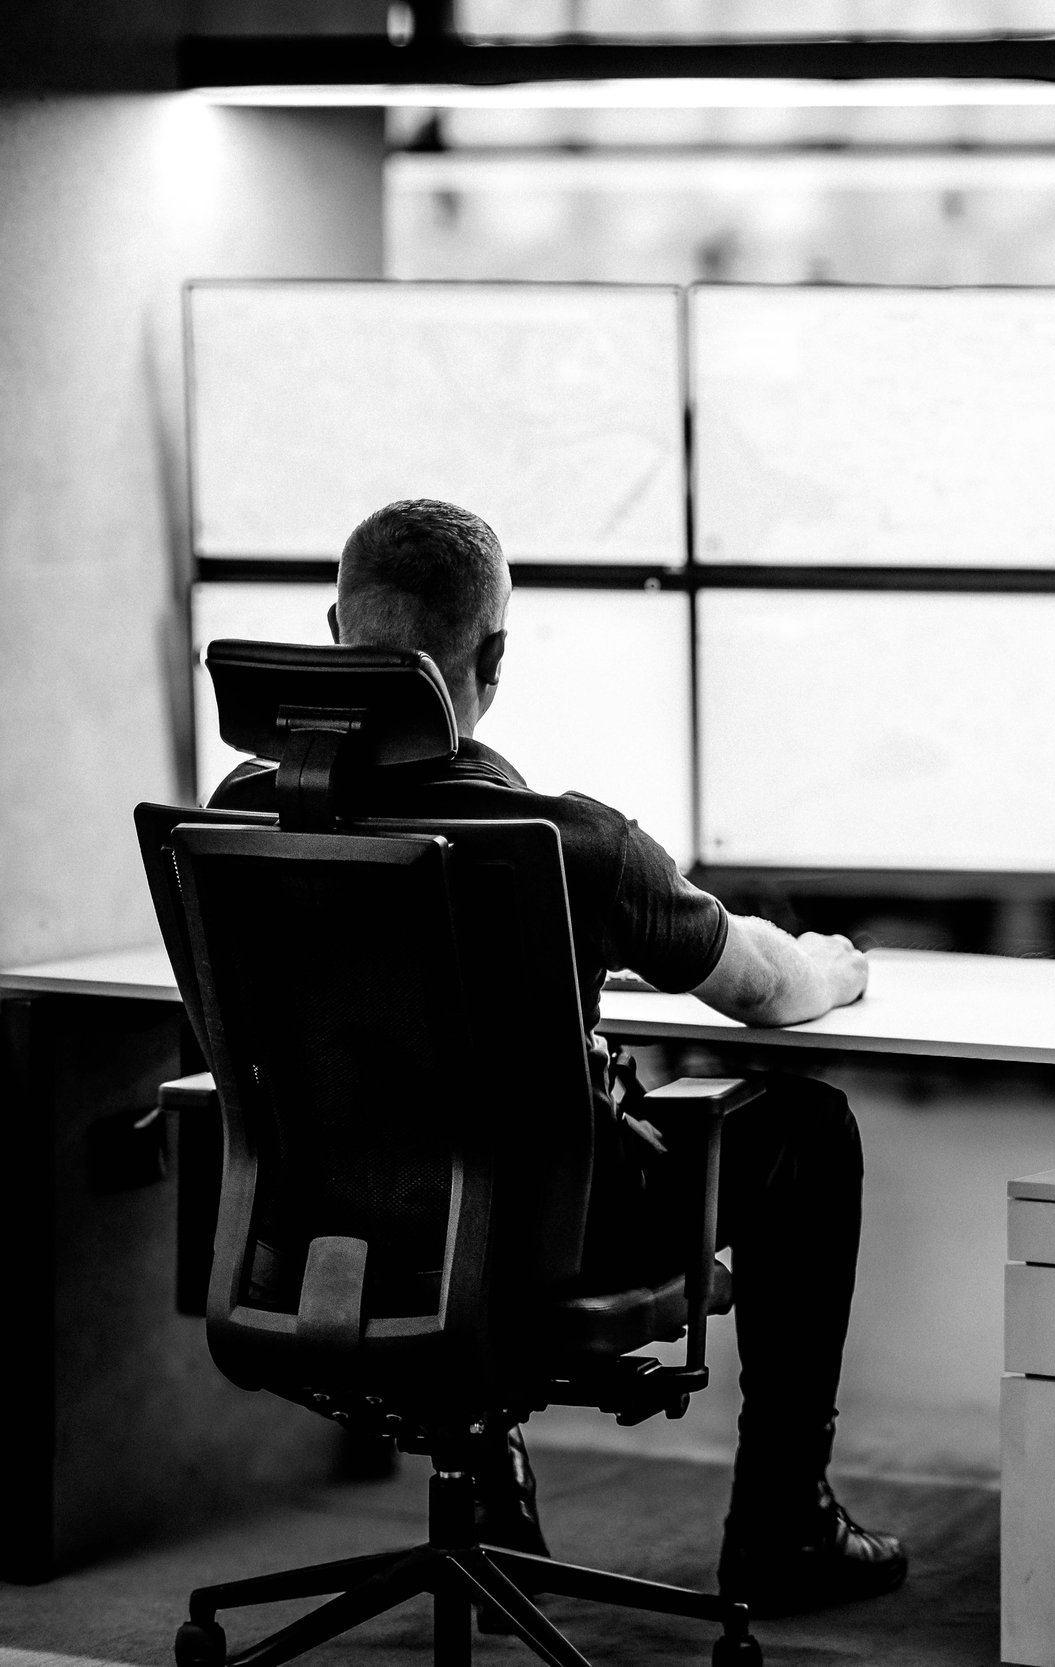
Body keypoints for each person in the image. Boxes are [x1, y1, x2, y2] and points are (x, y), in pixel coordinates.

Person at [207, 498, 906, 1617]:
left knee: (438, 1144)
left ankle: (485, 1501)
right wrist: (837, 959)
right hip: (547, 1240)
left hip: (315, 1229)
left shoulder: (236, 826)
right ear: (492, 657)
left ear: (335, 627)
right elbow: (768, 989)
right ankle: (781, 1527)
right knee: (805, 1130)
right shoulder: (566, 841)